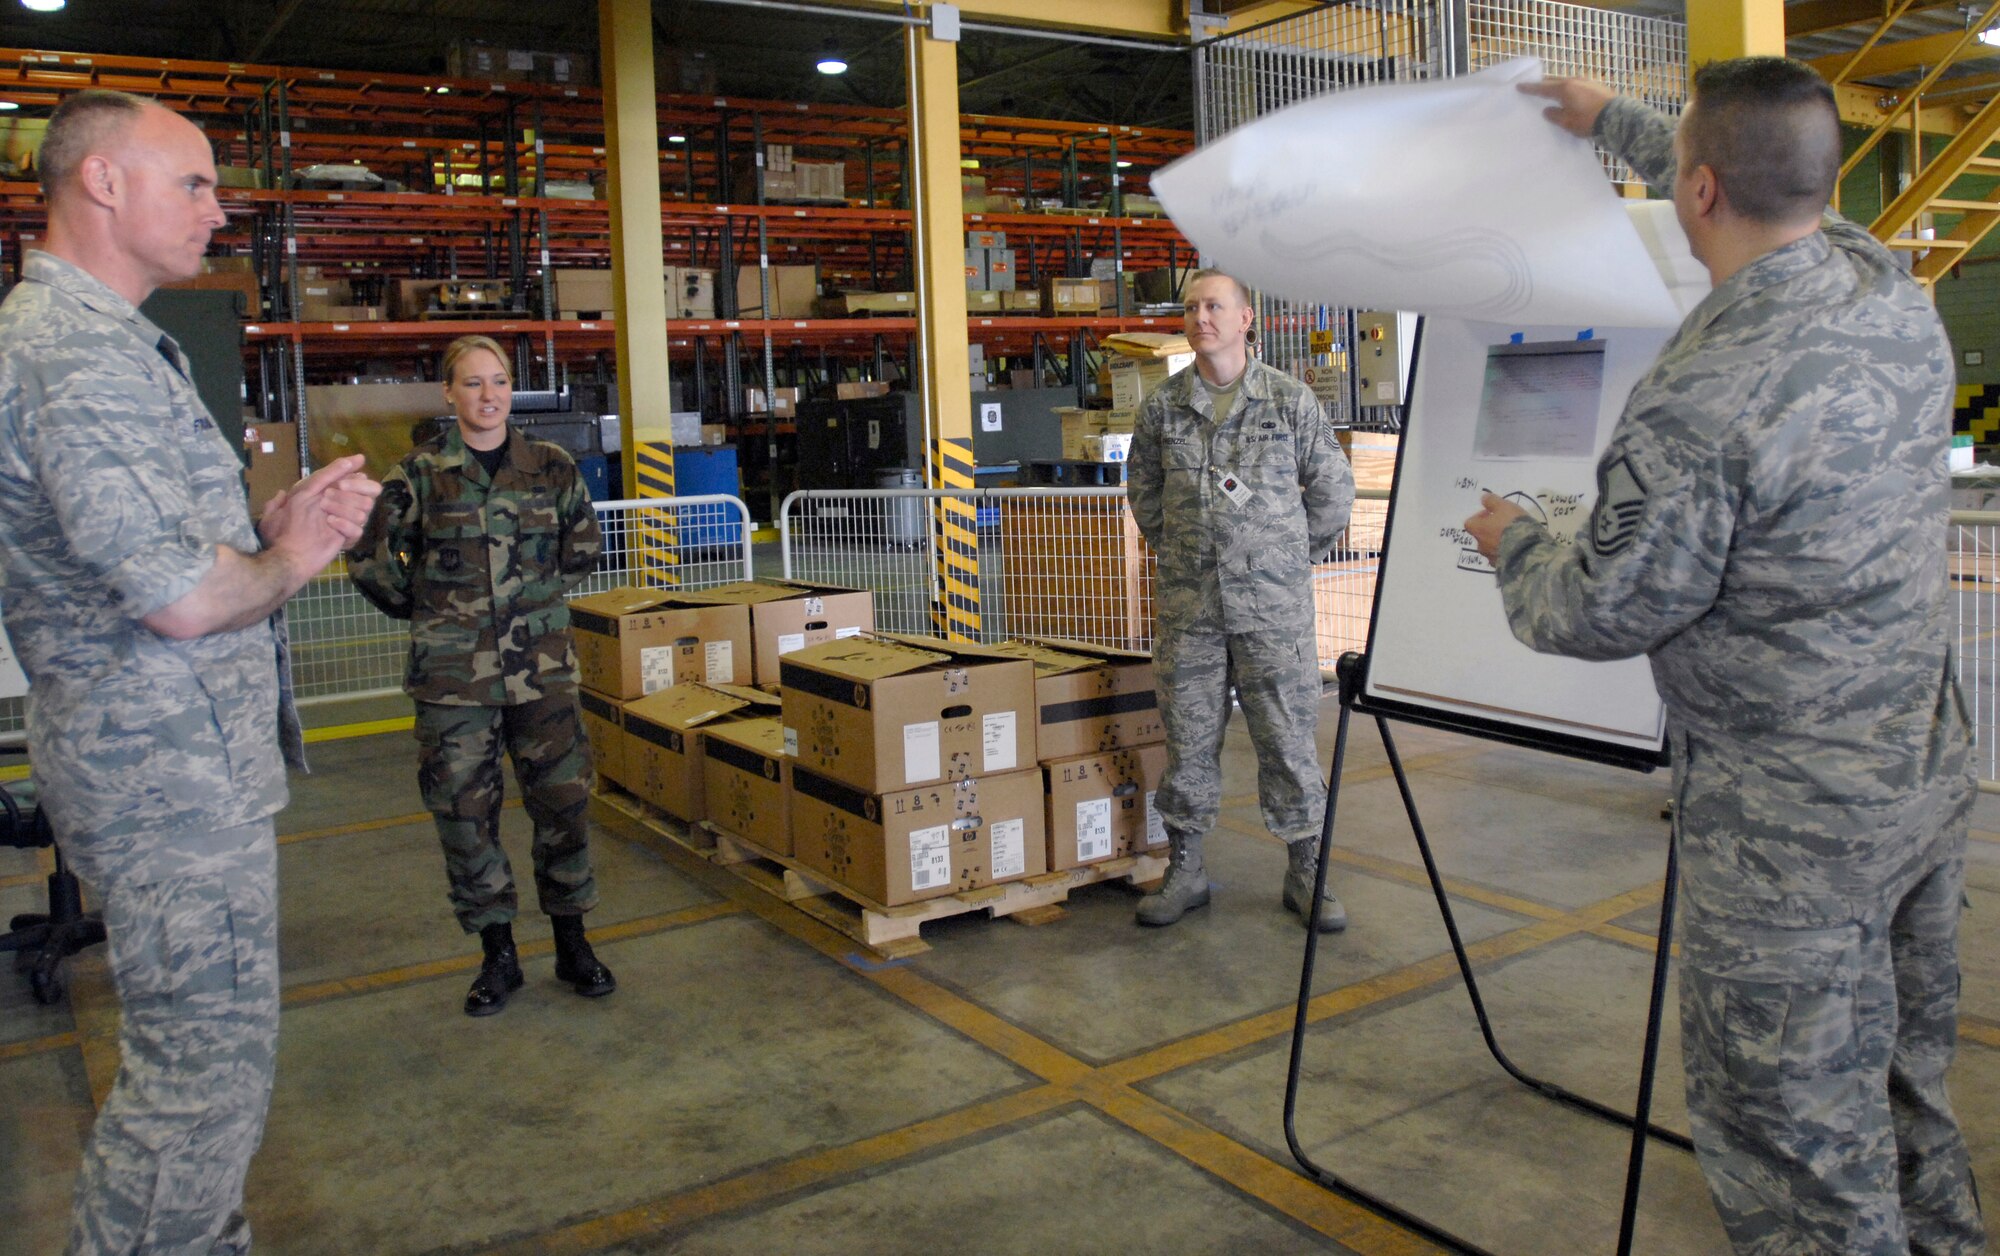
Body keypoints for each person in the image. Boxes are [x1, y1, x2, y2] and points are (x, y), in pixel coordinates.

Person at [1464, 60, 1985, 1255]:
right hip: (1912, 779)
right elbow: (1765, 176)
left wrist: (1514, 538)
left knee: (1794, 1138)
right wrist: (1613, 123)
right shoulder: (1881, 286)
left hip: (1784, 838)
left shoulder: (1704, 389)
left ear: (1697, 190)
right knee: (1902, 1086)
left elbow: (1594, 607)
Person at [0, 90, 381, 1254]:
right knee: (195, 1086)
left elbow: (152, 550)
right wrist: (289, 556)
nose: (221, 207)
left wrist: (264, 528)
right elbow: (177, 601)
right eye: (196, 182)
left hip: (163, 766)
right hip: (162, 775)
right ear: (104, 184)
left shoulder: (97, 340)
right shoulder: (75, 356)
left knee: (201, 1073)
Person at [348, 334, 614, 1017]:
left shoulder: (550, 468)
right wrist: (434, 617)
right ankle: (497, 955)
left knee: (564, 804)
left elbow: (583, 545)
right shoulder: (418, 474)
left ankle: (572, 941)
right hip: (452, 681)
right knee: (464, 814)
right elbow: (372, 561)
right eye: (472, 383)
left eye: (498, 382)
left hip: (543, 673)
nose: (488, 395)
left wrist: (531, 603)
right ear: (449, 393)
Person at [1126, 270, 1356, 930]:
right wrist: (1183, 553)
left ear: (1245, 318)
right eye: (1193, 307)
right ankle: (1187, 868)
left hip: (1273, 613)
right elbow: (1144, 492)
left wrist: (1288, 559)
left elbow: (1333, 492)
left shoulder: (1289, 402)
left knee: (1287, 740)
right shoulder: (1164, 408)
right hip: (1190, 610)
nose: (1203, 317)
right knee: (1189, 742)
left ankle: (1307, 871)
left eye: (1216, 306)